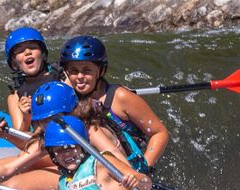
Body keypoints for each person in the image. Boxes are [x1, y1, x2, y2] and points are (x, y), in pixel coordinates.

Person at [0, 81, 126, 190]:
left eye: (52, 118)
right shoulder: (49, 132)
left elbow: (121, 164)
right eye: (43, 121)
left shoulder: (90, 130)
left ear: (72, 112)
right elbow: (12, 166)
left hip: (101, 184)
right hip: (72, 179)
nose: (48, 125)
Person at [60, 36, 169, 174]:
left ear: (101, 71)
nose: (80, 77)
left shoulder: (120, 96)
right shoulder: (69, 97)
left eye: (87, 70)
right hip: (92, 166)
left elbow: (159, 133)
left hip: (127, 167)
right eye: (74, 71)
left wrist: (143, 169)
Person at [0, 27, 61, 149]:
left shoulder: (62, 76)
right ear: (14, 62)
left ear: (43, 54)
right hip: (42, 146)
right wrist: (26, 117)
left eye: (33, 47)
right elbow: (21, 139)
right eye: (20, 51)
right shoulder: (16, 96)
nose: (27, 52)